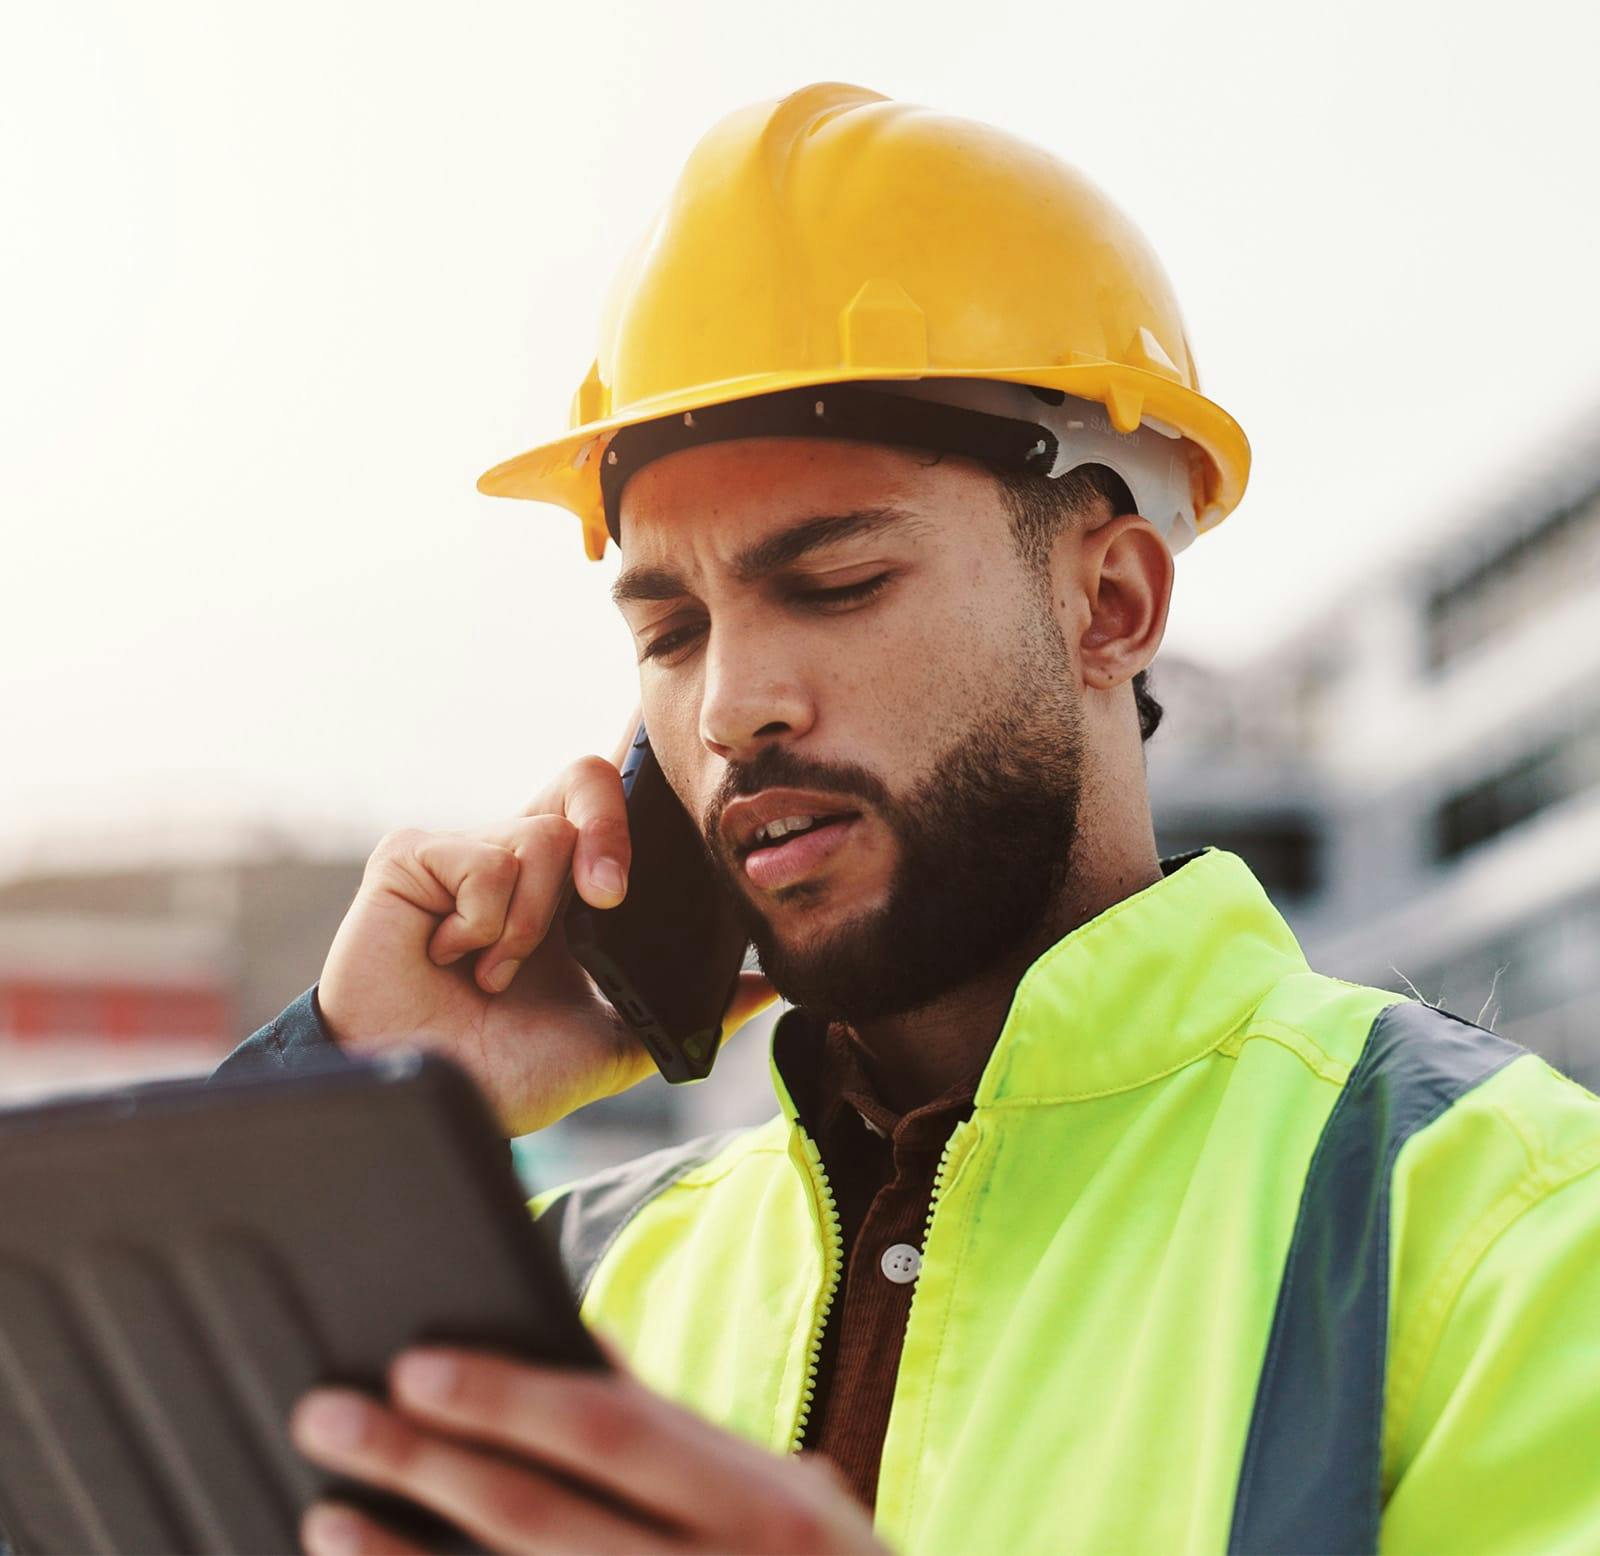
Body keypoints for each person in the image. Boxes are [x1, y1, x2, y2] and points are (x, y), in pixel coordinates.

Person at [214, 84, 1600, 1556]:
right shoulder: (583, 1283)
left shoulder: (1501, 1228)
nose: (732, 705)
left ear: (1111, 601)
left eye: (835, 585)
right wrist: (347, 1110)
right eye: (672, 629)